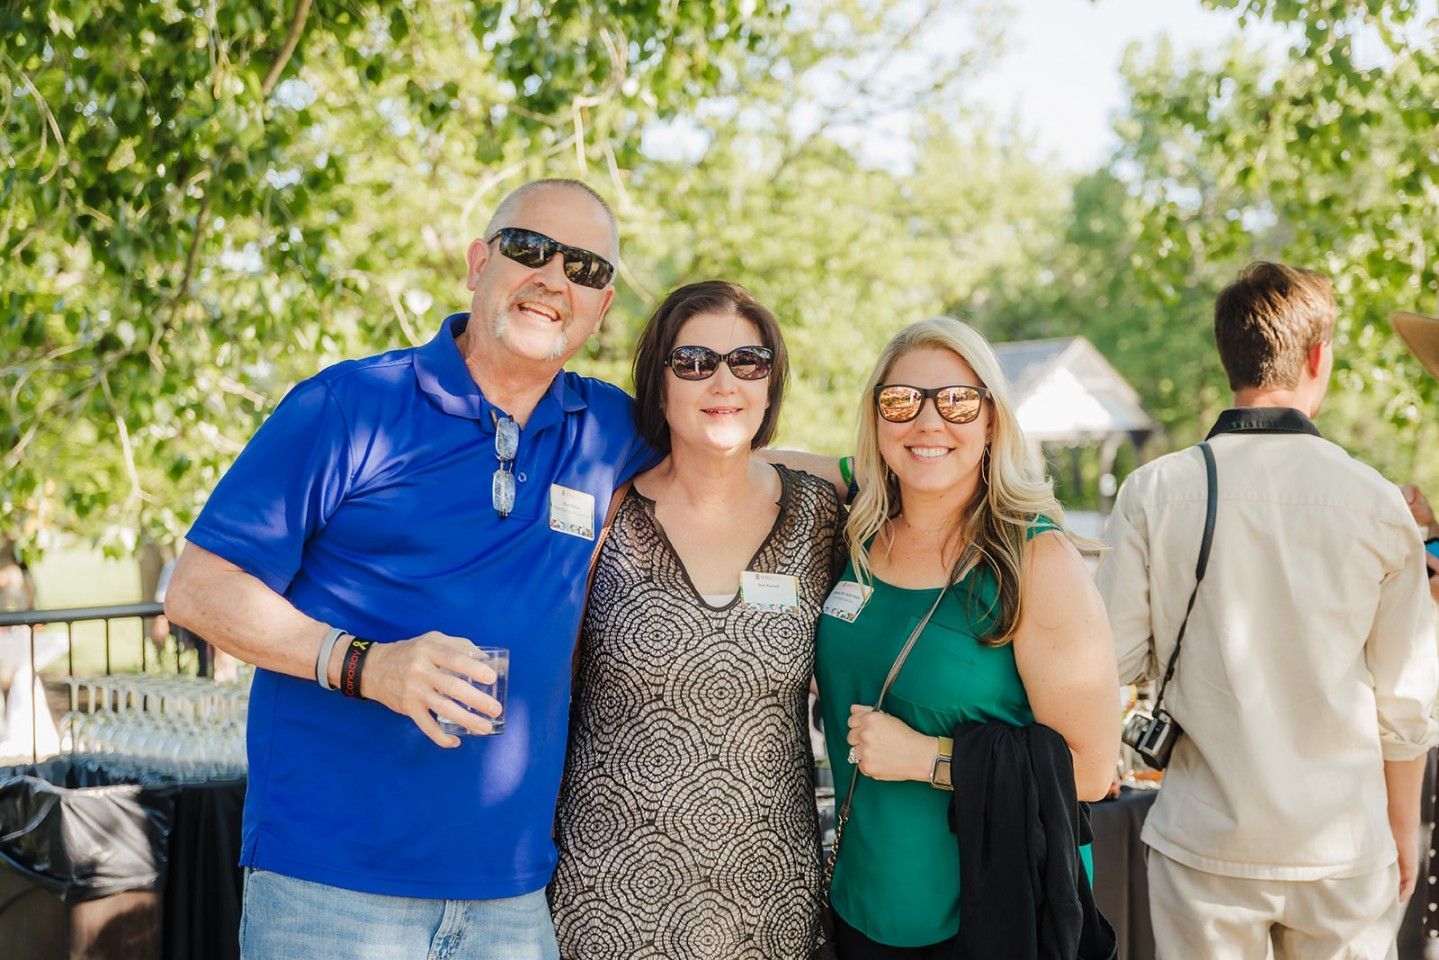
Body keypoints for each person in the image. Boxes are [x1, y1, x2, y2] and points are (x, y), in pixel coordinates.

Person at [164, 179, 659, 959]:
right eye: (529, 250)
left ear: (599, 309)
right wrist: (366, 665)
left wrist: (891, 461)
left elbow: (732, 465)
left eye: (586, 269)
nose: (553, 279)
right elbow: (197, 590)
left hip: (511, 898)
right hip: (328, 892)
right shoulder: (350, 404)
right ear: (477, 263)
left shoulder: (605, 427)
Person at [1099, 261, 1439, 960]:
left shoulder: (1151, 492)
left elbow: (1111, 662)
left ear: (1229, 358)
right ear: (1318, 357)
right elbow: (1405, 704)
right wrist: (1401, 828)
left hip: (1203, 843)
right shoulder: (1376, 502)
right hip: (1342, 850)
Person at [547, 280, 841, 958]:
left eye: (748, 361)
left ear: (770, 386)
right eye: (694, 361)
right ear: (658, 385)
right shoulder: (604, 513)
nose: (723, 380)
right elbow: (546, 685)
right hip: (605, 896)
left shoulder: (820, 516)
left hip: (770, 898)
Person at [815, 316, 1119, 957]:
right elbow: (755, 462)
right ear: (875, 421)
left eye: (957, 401)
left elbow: (1090, 772)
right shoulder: (859, 536)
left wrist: (928, 759)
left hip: (991, 917)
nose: (929, 423)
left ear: (991, 421)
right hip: (858, 907)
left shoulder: (1036, 560)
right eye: (900, 402)